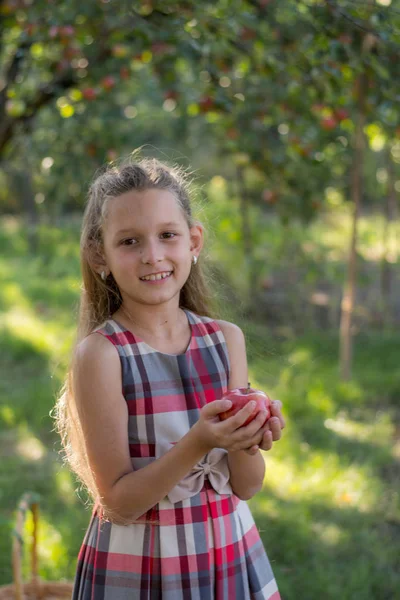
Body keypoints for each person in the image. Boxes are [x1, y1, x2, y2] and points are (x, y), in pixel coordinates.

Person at [54, 155, 285, 600]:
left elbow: (247, 484)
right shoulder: (103, 355)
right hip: (143, 567)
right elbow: (119, 504)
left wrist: (250, 435)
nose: (153, 255)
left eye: (167, 235)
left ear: (193, 241)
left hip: (227, 554)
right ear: (100, 255)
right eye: (129, 241)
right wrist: (199, 441)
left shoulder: (225, 340)